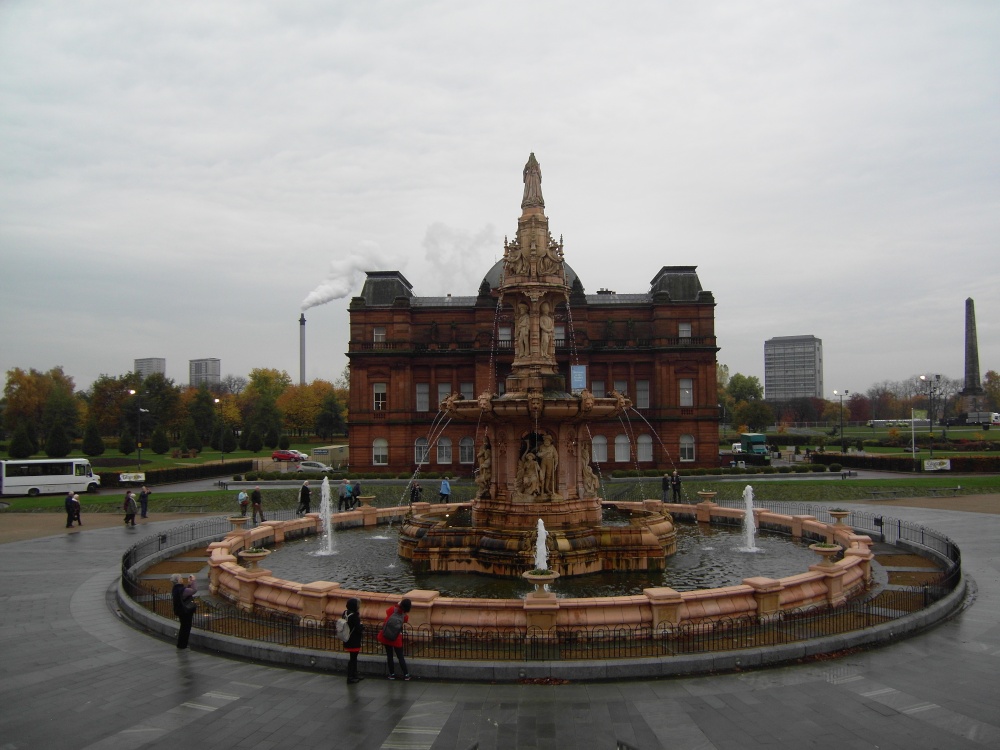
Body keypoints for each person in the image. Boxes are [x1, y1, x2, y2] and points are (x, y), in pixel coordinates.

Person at [377, 598, 411, 680]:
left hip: (387, 634)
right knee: (400, 656)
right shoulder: (405, 616)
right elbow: (405, 621)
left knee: (389, 655)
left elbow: (387, 611)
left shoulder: (392, 609)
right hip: (396, 637)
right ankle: (406, 674)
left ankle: (392, 674)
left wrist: (397, 605)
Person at [171, 573, 197, 649]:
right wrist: (193, 581)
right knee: (186, 627)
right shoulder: (181, 589)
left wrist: (189, 584)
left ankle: (181, 644)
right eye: (181, 578)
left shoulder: (176, 589)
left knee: (183, 626)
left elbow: (186, 593)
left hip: (180, 610)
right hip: (185, 611)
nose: (182, 579)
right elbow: (194, 590)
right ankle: (182, 645)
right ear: (178, 580)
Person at [343, 597, 364, 684]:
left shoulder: (345, 613)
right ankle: (351, 677)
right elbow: (358, 629)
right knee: (353, 659)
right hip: (354, 640)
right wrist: (362, 626)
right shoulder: (355, 616)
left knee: (353, 658)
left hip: (347, 638)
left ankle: (354, 675)